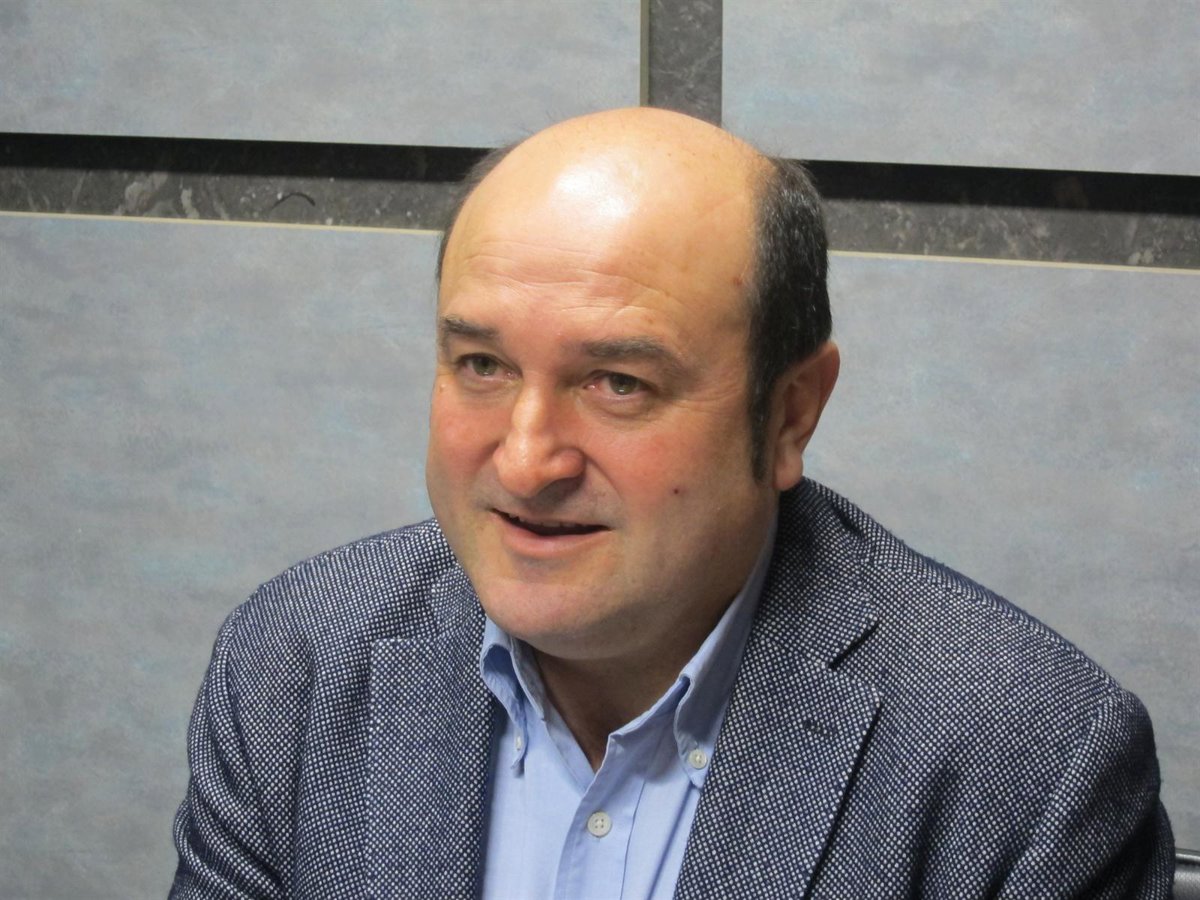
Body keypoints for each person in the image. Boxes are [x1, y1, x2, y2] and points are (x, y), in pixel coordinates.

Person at [171, 107, 1174, 898]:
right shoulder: (294, 667)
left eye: (618, 383)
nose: (526, 461)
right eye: (481, 365)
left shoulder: (1028, 764)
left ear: (789, 414)